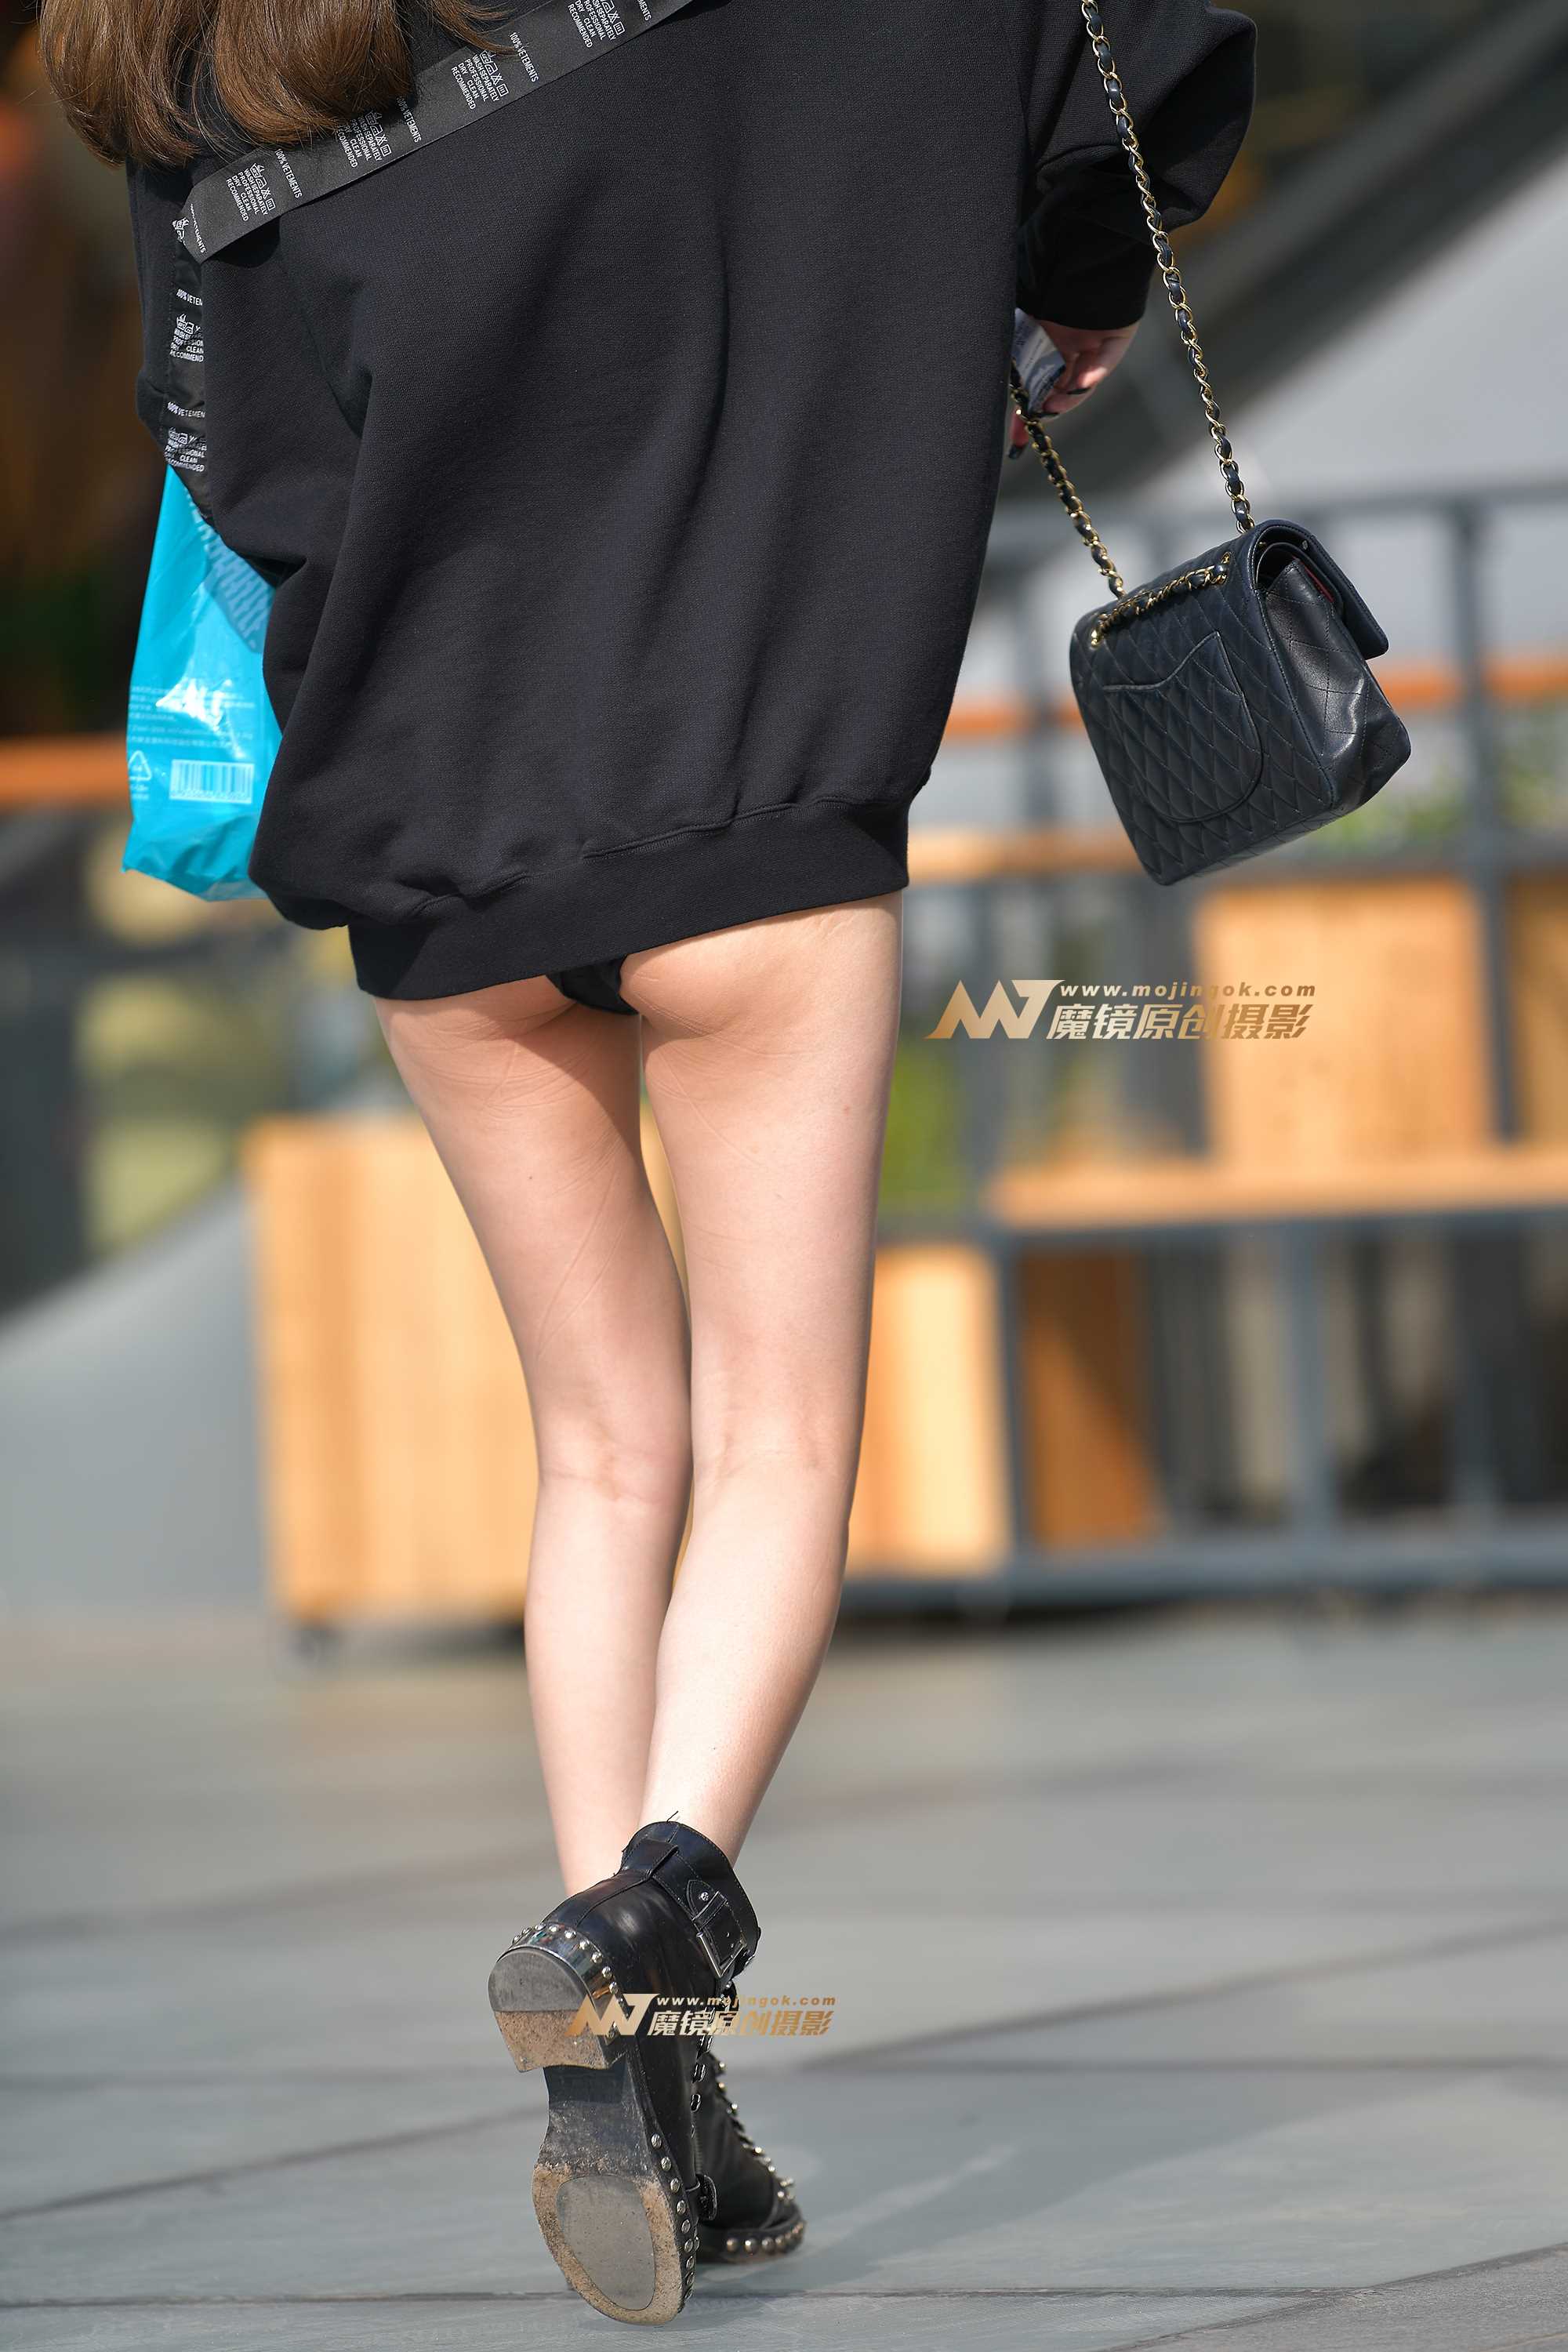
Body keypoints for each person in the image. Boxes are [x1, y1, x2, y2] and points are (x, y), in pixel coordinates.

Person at [42, 0, 1254, 2323]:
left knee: (604, 1455)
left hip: (429, 862)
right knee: (781, 1442)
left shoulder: (222, 57)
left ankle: (658, 2098)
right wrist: (1073, 284)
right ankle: (653, 1906)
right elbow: (1139, 57)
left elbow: (240, 465)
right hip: (750, 810)